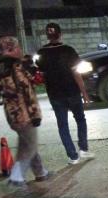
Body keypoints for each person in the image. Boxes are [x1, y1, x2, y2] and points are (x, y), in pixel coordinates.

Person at [0, 36, 50, 186]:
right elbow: (26, 90)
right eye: (18, 47)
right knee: (29, 145)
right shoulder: (17, 66)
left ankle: (40, 172)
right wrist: (35, 113)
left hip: (11, 114)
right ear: (11, 49)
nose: (20, 50)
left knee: (28, 142)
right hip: (25, 113)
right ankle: (17, 175)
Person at [35, 22, 94, 165]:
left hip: (55, 94)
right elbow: (76, 73)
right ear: (60, 34)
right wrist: (84, 93)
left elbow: (40, 75)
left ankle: (73, 157)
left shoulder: (41, 53)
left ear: (47, 35)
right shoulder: (68, 50)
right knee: (80, 119)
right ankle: (83, 149)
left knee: (62, 125)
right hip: (72, 92)